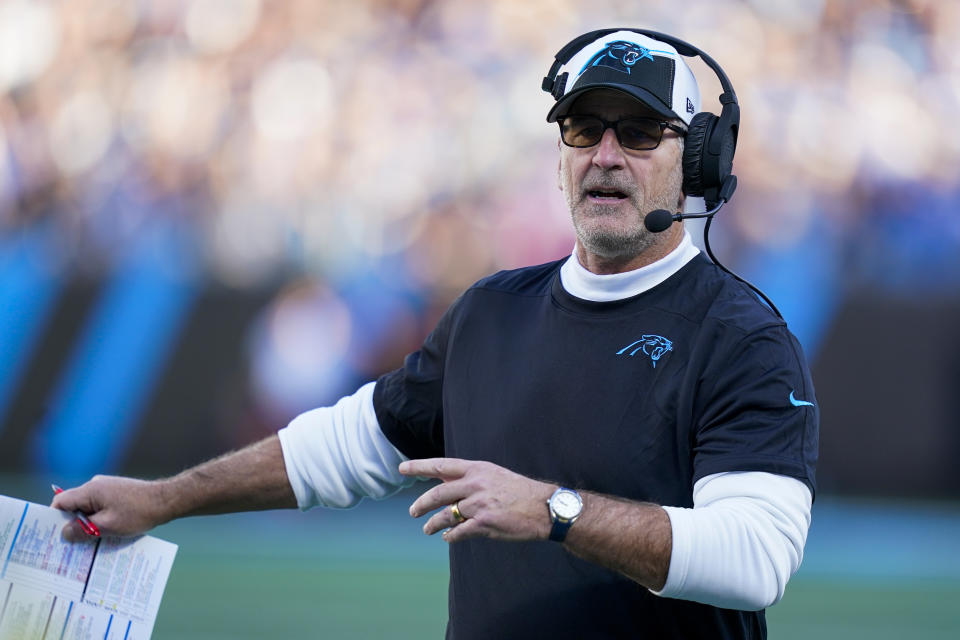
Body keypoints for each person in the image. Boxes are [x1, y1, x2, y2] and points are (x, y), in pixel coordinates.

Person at [54, 29, 818, 639]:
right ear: (560, 156)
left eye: (641, 132)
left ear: (698, 161)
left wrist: (554, 512)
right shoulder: (489, 311)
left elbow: (756, 558)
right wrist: (159, 499)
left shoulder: (741, 335)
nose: (607, 156)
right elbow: (340, 450)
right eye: (585, 129)